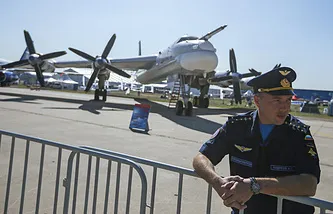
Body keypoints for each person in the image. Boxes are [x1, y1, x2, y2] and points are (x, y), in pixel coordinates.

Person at [192, 66, 321, 214]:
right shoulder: (236, 126)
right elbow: (201, 158)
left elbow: (309, 184)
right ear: (257, 100)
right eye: (277, 100)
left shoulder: (299, 133)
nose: (284, 107)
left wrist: (255, 185)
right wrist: (218, 182)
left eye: (288, 100)